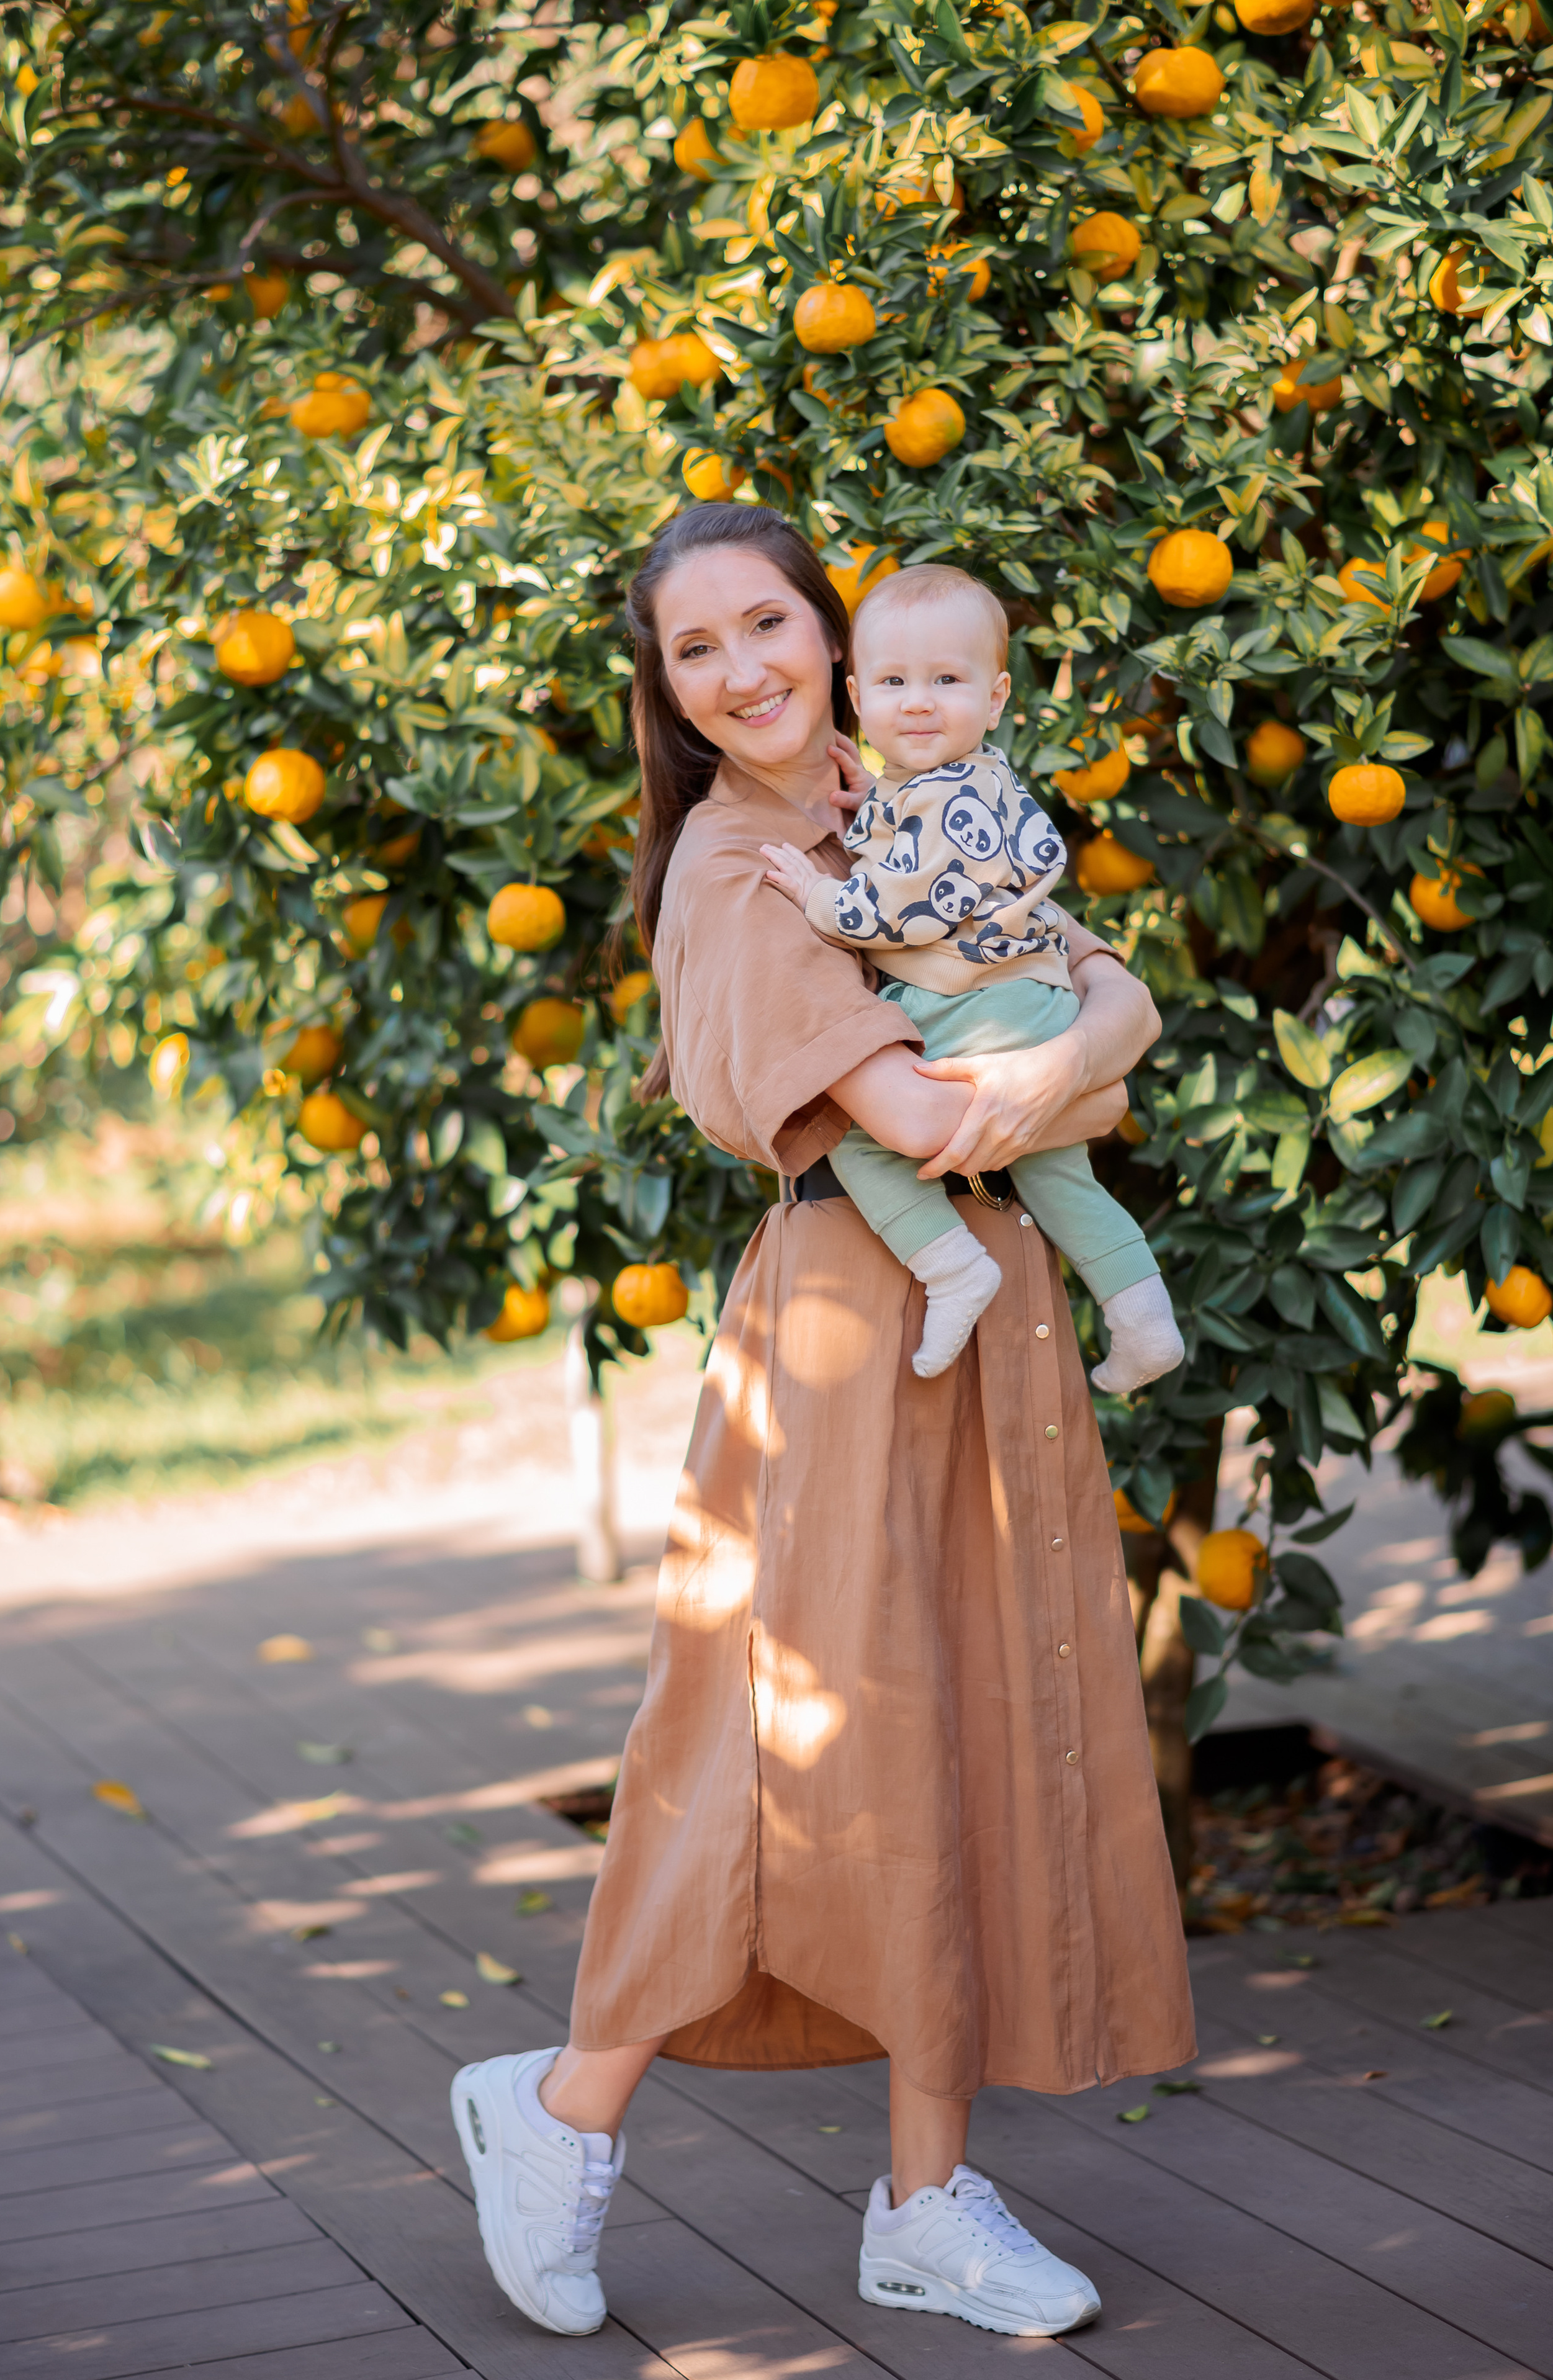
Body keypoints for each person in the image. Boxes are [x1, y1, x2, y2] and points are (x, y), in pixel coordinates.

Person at [452, 503, 1196, 2343]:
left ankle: (925, 2203)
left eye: (768, 624)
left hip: (991, 1317)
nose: (743, 671)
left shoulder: (915, 781)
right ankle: (557, 2111)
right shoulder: (732, 871)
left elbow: (1127, 992)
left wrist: (1068, 1043)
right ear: (668, 688)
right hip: (853, 1332)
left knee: (964, 1736)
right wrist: (1056, 1061)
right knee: (767, 1752)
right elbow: (945, 1109)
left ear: (831, 629)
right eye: (695, 650)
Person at [760, 560, 1183, 1391]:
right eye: (893, 681)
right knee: (1061, 1177)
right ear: (858, 696)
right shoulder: (972, 778)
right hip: (1036, 997)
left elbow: (892, 912)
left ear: (994, 698)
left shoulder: (933, 800)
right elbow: (925, 838)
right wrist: (871, 800)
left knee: (856, 1141)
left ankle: (952, 1267)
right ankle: (1143, 1319)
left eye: (945, 680)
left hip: (971, 999)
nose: (917, 700)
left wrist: (819, 894)